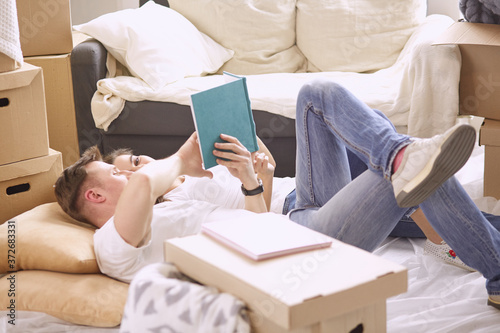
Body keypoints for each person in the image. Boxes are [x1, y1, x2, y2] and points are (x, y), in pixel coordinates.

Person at [55, 80, 500, 309]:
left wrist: (252, 176)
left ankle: (401, 157)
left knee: (318, 95)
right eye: (121, 169)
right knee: (406, 170)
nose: (136, 168)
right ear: (95, 198)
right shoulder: (112, 244)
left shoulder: (179, 194)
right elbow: (138, 191)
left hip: (291, 224)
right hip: (298, 258)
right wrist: (177, 162)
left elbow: (257, 216)